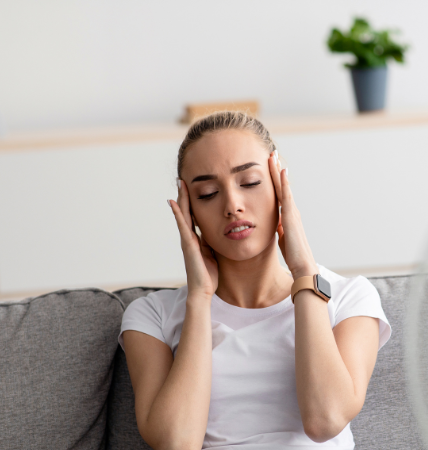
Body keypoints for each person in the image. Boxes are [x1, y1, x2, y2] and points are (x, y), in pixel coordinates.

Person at [118, 111, 391, 450]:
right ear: (189, 212)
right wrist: (201, 298)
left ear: (280, 185)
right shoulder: (151, 316)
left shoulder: (351, 297)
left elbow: (325, 420)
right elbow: (176, 442)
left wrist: (305, 274)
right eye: (207, 193)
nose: (233, 205)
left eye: (249, 182)